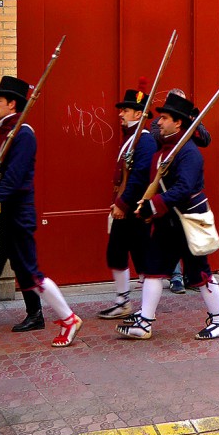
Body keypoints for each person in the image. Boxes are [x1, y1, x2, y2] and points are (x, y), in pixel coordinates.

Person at [117, 92, 219, 340]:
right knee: (154, 268)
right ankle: (144, 322)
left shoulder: (189, 152)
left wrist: (152, 206)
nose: (159, 122)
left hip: (188, 221)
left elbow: (183, 188)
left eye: (164, 118)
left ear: (178, 122)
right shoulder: (165, 148)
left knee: (200, 272)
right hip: (168, 222)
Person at [0, 76, 82, 348]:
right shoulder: (7, 131)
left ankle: (69, 318)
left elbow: (12, 179)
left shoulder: (23, 134)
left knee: (31, 274)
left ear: (12, 104)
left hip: (15, 216)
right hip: (3, 214)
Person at [98, 81, 155, 319]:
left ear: (139, 113)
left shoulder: (145, 140)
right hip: (124, 206)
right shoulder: (130, 138)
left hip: (136, 210)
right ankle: (123, 302)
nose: (120, 113)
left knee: (143, 258)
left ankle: (145, 307)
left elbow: (140, 177)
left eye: (126, 110)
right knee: (116, 253)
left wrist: (123, 204)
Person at [163, 88, 212, 295]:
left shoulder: (190, 131)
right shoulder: (163, 124)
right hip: (169, 186)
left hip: (187, 191)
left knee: (195, 251)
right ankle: (175, 276)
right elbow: (159, 136)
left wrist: (193, 120)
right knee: (166, 245)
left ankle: (192, 277)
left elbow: (205, 139)